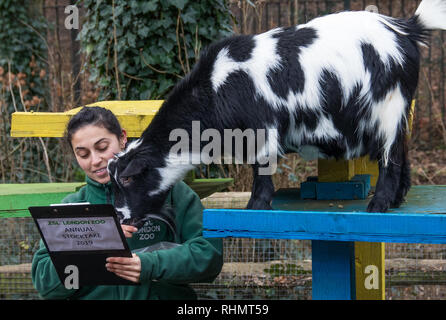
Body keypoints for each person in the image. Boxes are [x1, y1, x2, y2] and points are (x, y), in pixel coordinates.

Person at [31, 106, 224, 300]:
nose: (95, 160)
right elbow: (46, 284)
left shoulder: (169, 192)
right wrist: (94, 241)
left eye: (102, 148)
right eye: (83, 154)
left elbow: (209, 255)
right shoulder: (72, 206)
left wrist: (150, 265)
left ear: (122, 139)